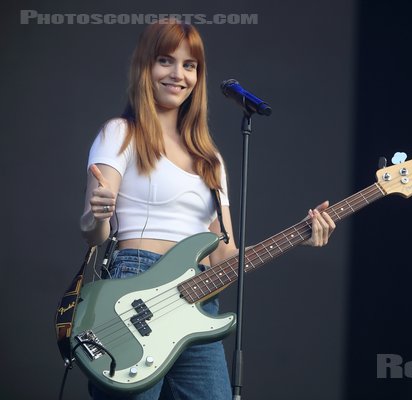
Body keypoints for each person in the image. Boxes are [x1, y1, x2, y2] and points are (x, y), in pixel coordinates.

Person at [80, 19, 335, 400]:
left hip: (196, 298)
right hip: (133, 290)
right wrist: (98, 213)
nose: (178, 74)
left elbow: (225, 258)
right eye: (165, 61)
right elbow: (92, 231)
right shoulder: (121, 132)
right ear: (145, 67)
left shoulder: (209, 159)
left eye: (189, 65)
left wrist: (299, 235)